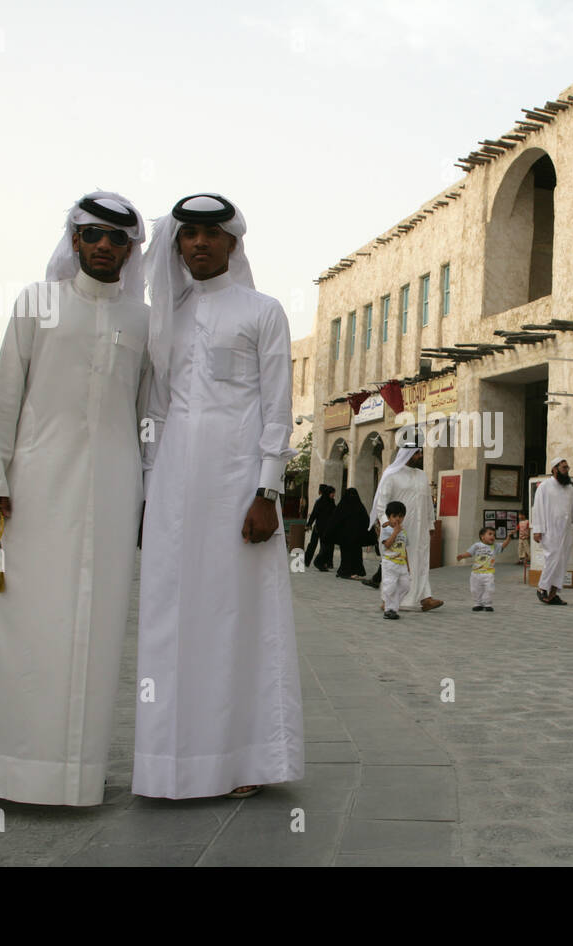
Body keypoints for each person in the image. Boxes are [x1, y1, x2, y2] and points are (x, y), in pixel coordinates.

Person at [0, 191, 150, 818]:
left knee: (92, 633)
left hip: (113, 490)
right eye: (92, 234)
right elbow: (7, 396)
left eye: (117, 237)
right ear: (74, 240)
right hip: (33, 487)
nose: (104, 245)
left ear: (132, 249)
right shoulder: (37, 303)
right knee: (4, 621)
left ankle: (73, 775)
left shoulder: (144, 319)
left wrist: (149, 495)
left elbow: (148, 414)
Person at [134, 192, 302, 800]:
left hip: (239, 488)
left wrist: (268, 491)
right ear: (176, 244)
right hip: (174, 486)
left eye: (212, 232)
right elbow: (154, 411)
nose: (199, 243)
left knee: (237, 618)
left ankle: (240, 761)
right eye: (188, 234)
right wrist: (149, 493)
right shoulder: (165, 318)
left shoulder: (263, 310)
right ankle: (168, 763)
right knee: (169, 619)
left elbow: (277, 409)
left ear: (233, 242)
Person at [369, 444, 443, 611]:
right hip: (399, 529)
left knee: (422, 561)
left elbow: (427, 502)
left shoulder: (422, 475)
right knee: (396, 564)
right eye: (417, 453)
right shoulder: (392, 475)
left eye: (420, 452)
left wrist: (431, 524)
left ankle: (426, 598)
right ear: (407, 454)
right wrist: (385, 523)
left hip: (421, 528)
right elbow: (382, 503)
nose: (420, 456)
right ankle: (388, 600)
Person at [532, 457, 573, 605]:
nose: (567, 470)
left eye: (567, 468)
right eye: (564, 468)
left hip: (566, 531)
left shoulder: (569, 488)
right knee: (552, 559)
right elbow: (538, 509)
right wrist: (538, 530)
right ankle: (542, 587)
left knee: (562, 562)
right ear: (555, 469)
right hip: (550, 530)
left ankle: (553, 594)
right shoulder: (544, 486)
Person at [457, 525, 514, 611]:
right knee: (475, 589)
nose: (493, 536)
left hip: (488, 573)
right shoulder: (477, 545)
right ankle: (478, 603)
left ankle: (487, 604)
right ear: (482, 536)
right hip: (476, 573)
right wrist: (462, 556)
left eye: (494, 535)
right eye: (490, 534)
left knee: (490, 589)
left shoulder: (495, 546)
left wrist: (509, 537)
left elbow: (503, 545)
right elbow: (469, 553)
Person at [329, 487, 372, 579]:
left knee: (347, 555)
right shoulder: (359, 506)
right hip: (354, 537)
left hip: (347, 537)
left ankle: (345, 571)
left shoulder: (342, 506)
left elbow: (334, 520)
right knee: (353, 554)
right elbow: (366, 521)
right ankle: (349, 571)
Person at [379, 501, 410, 620]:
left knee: (405, 586)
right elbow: (387, 544)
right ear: (389, 517)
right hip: (390, 563)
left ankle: (393, 606)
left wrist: (408, 565)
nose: (398, 519)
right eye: (394, 516)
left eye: (401, 516)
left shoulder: (404, 531)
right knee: (390, 586)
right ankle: (389, 609)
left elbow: (404, 548)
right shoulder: (386, 529)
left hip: (401, 563)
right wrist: (395, 532)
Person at [306, 484, 336, 570]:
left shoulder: (332, 502)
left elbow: (335, 514)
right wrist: (309, 525)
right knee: (312, 545)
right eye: (332, 493)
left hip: (327, 529)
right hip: (318, 528)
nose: (333, 495)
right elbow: (314, 514)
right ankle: (307, 561)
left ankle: (325, 563)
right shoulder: (319, 502)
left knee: (326, 547)